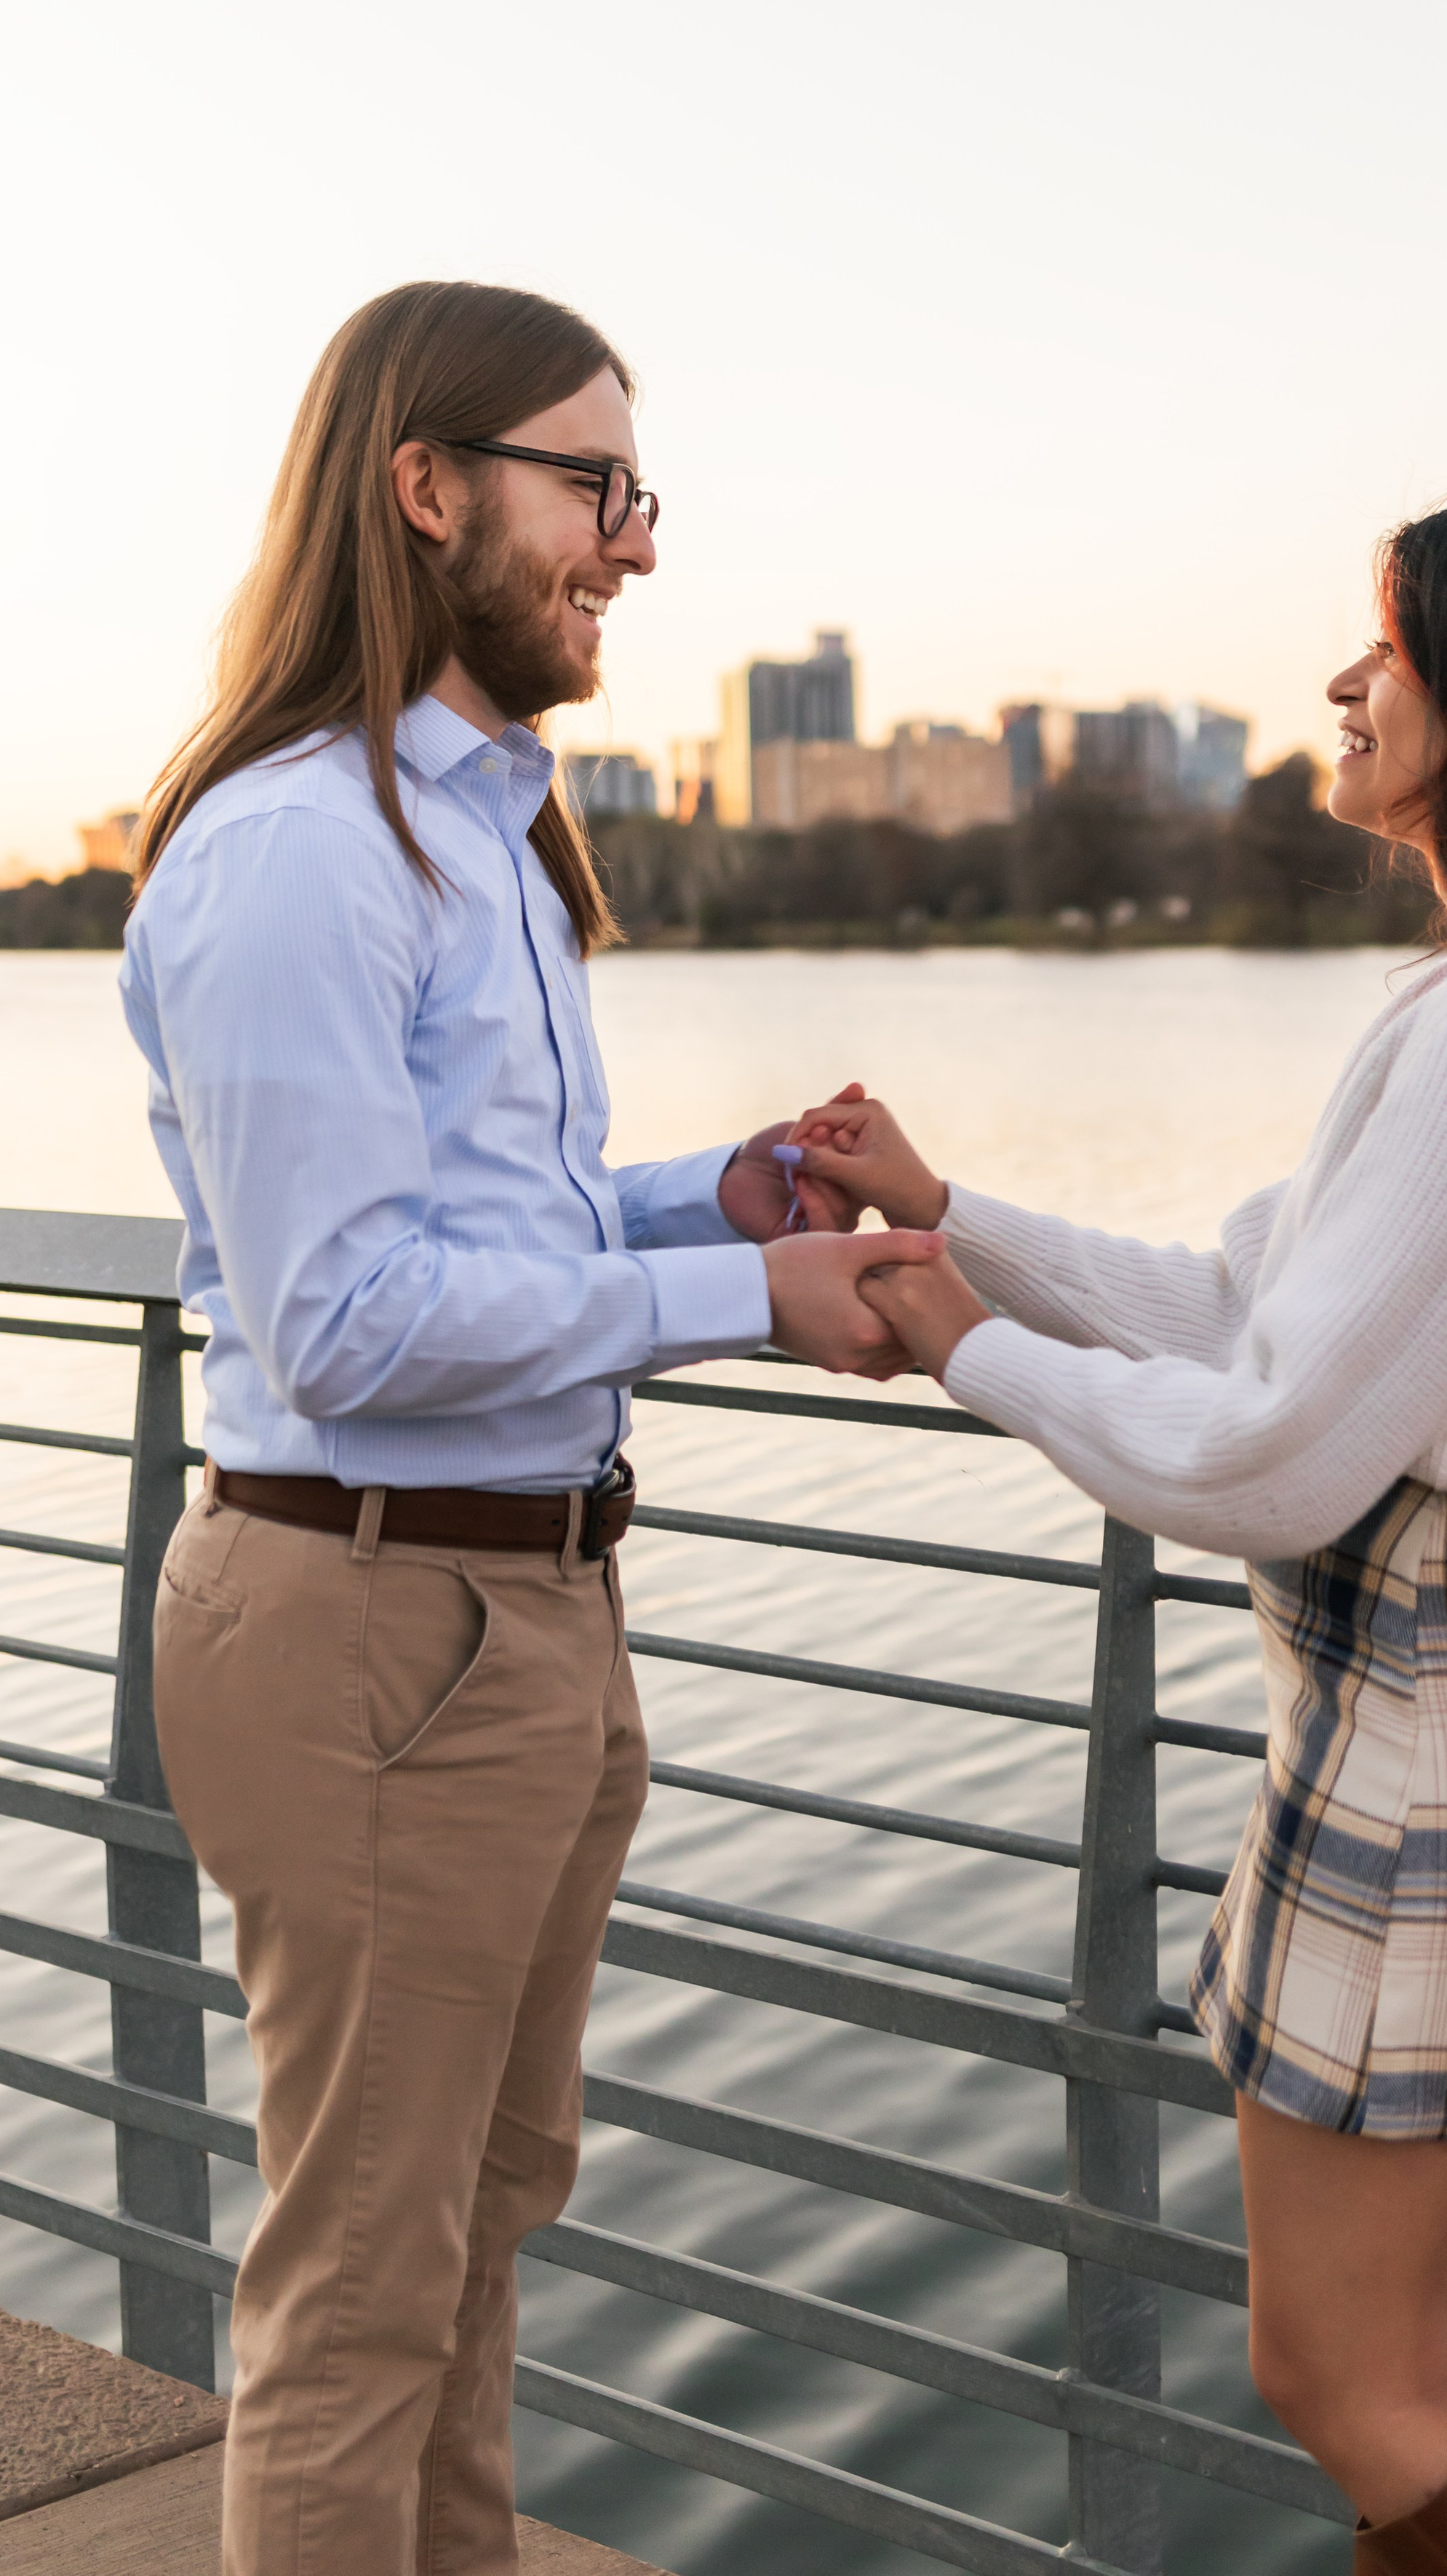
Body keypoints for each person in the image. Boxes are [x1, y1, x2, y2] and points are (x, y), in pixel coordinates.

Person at [791, 495, 1447, 2573]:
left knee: (1341, 2378)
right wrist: (952, 1218)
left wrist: (969, 1348)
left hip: (1430, 1725)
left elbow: (1269, 1455)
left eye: (1393, 645)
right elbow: (1258, 1312)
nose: (1346, 684)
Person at [120, 279, 941, 2576]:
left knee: (478, 2241)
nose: (637, 546)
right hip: (374, 1614)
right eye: (595, 486)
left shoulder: (481, 827)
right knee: (366, 2292)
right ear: (428, 488)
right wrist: (750, 1296)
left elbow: (490, 1222)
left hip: (513, 1612)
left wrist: (709, 1196)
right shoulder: (306, 849)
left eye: (632, 491)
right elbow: (353, 1317)